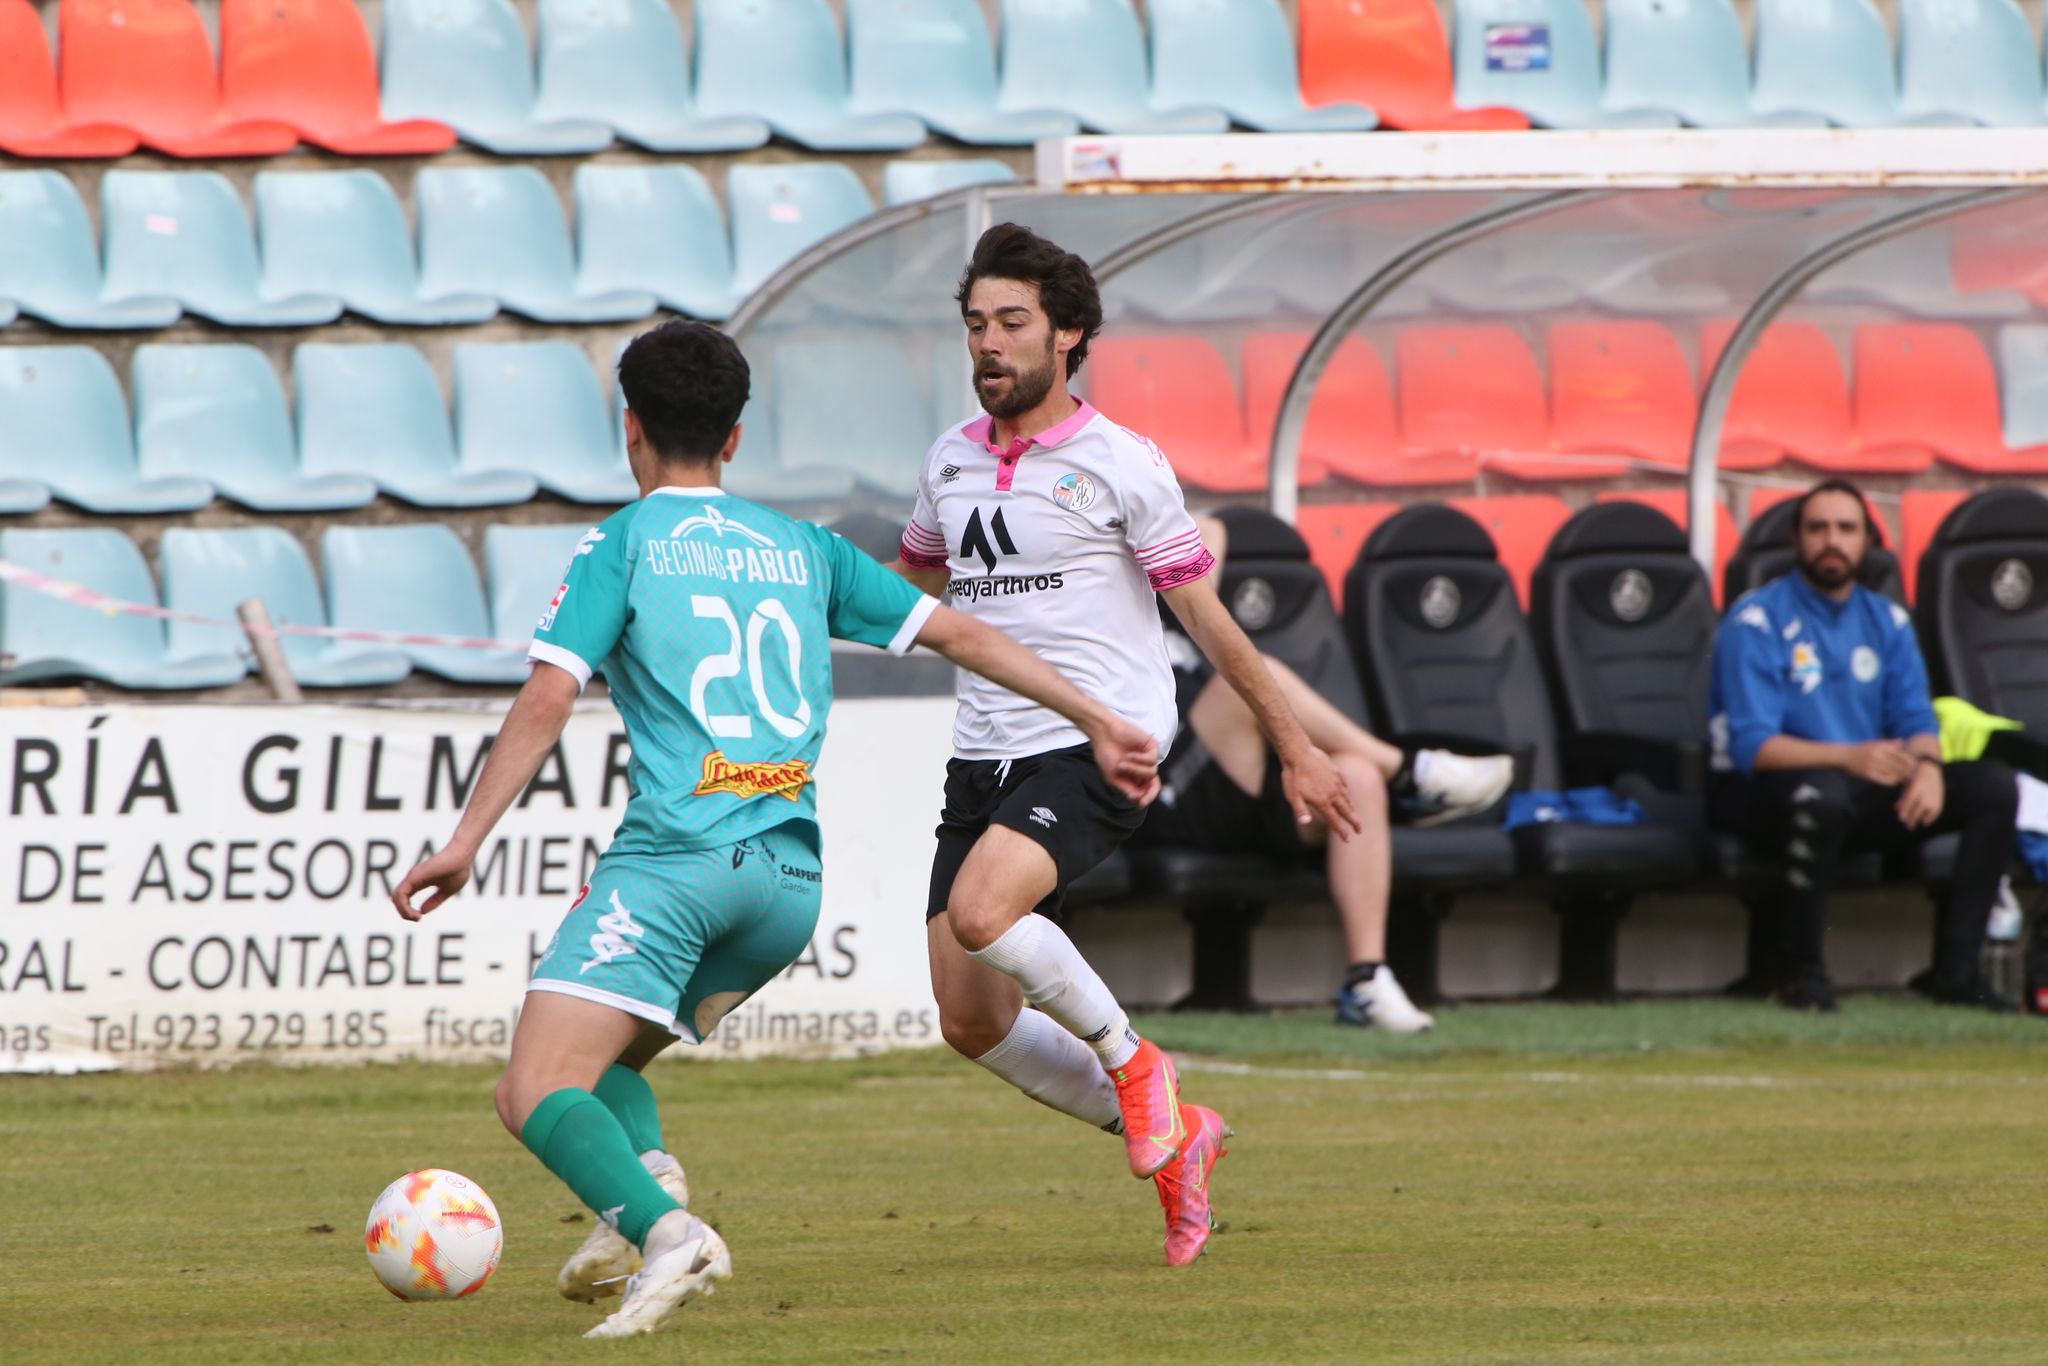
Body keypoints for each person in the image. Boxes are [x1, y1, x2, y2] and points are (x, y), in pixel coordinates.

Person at [392, 321, 1163, 1340]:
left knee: (532, 1086)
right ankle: (638, 1187)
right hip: (783, 890)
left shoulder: (620, 545)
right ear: (736, 438)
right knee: (607, 1059)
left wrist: (464, 839)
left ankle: (668, 1232)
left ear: (631, 430)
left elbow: (546, 695)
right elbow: (966, 634)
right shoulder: (801, 547)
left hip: (677, 864)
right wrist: (1100, 717)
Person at [891, 224, 1362, 1269]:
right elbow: (911, 586)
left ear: (1067, 335)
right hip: (984, 756)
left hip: (1099, 745)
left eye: (1011, 322)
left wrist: (1296, 746)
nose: (989, 344)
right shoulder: (948, 460)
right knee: (967, 1020)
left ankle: (1133, 1058)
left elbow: (1206, 620)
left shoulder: (1120, 464)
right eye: (975, 324)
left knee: (981, 911)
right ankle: (1174, 1132)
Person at [1127, 514, 1514, 1031]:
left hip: (1242, 776)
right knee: (1249, 677)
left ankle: (1367, 981)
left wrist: (1139, 518)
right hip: (1168, 785)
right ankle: (1410, 771)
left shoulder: (1179, 598)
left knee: (1356, 775)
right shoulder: (1101, 613)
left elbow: (1212, 527)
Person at [1708, 478, 2019, 1013]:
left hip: (1857, 787)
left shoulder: (1887, 621)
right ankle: (1801, 973)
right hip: (1759, 793)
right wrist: (1849, 757)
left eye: (1846, 528)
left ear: (1868, 542)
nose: (1832, 540)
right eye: (1818, 528)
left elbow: (1917, 717)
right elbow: (1752, 747)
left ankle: (1955, 973)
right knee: (1824, 795)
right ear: (1795, 540)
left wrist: (1927, 767)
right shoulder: (1756, 619)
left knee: (1992, 786)